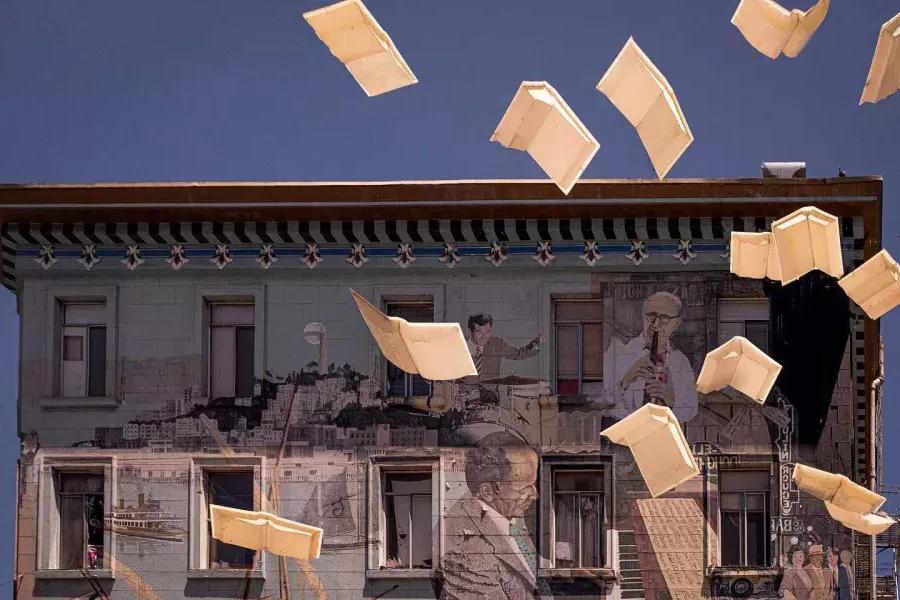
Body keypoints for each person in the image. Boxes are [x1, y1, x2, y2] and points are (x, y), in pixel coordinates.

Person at [441, 431, 538, 599]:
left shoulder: (510, 516)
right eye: (524, 489)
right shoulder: (463, 548)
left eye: (533, 485)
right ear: (487, 491)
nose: (534, 495)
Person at [603, 292, 698, 422]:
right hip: (623, 434)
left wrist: (669, 397)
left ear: (676, 323)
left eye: (664, 318)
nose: (656, 324)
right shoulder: (617, 352)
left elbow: (691, 411)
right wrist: (627, 379)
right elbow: (603, 401)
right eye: (651, 316)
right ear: (642, 316)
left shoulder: (680, 361)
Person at [466, 313, 543, 382]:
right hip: (465, 395)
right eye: (480, 332)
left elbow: (518, 354)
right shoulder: (459, 347)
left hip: (490, 395)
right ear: (470, 332)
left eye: (488, 332)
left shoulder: (497, 344)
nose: (485, 336)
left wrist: (536, 342)